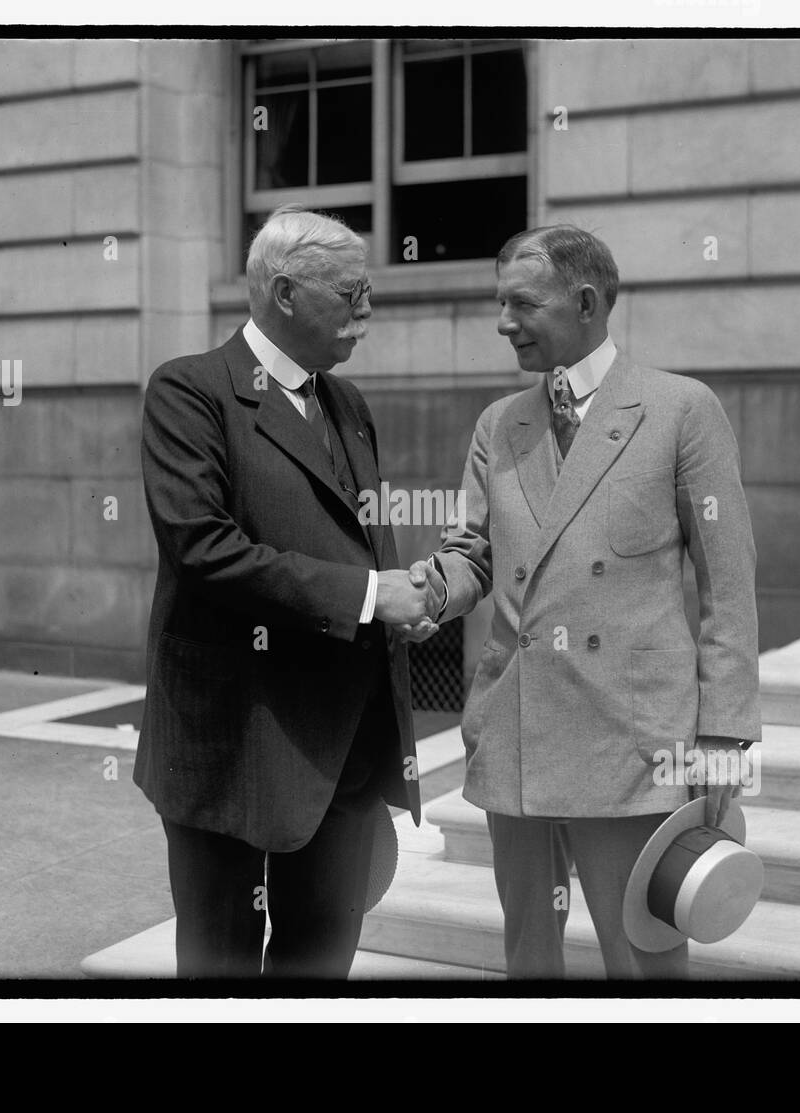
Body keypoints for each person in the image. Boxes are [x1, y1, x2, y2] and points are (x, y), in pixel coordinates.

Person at [404, 225, 761, 979]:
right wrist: (425, 591)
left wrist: (725, 735)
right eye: (499, 303)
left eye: (521, 303)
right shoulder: (499, 424)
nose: (503, 322)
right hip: (518, 734)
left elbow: (727, 586)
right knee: (529, 961)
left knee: (643, 965)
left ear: (587, 302)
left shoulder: (680, 410)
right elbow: (473, 553)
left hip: (632, 748)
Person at [135, 205, 434, 978]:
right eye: (351, 292)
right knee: (220, 970)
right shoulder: (190, 392)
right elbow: (205, 549)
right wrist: (370, 596)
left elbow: (362, 538)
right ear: (287, 292)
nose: (367, 310)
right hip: (232, 739)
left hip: (342, 748)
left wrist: (399, 607)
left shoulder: (349, 404)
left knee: (319, 964)